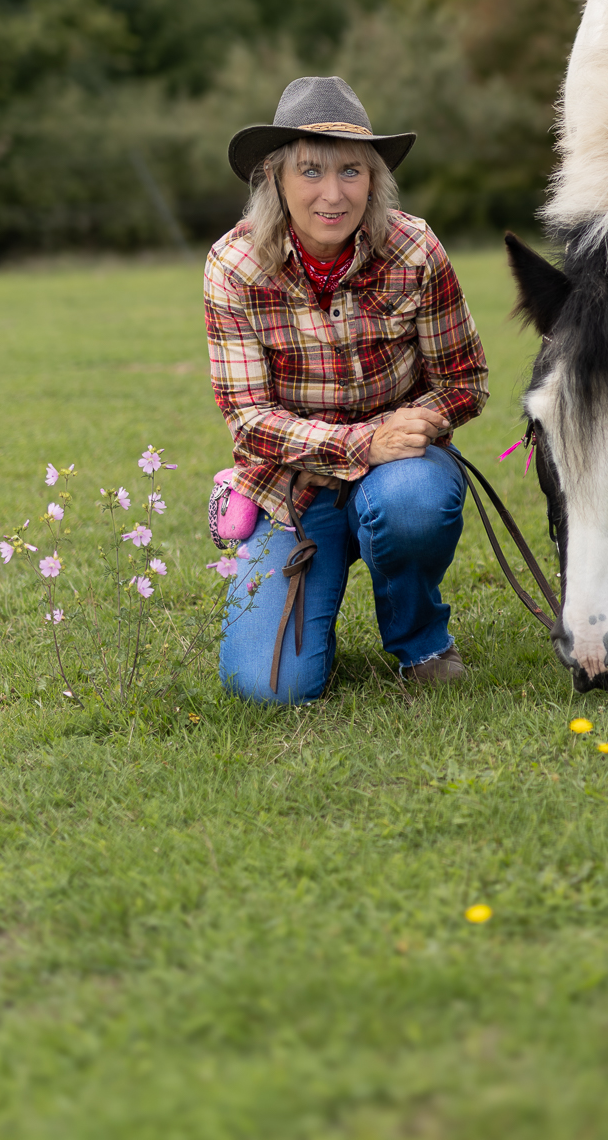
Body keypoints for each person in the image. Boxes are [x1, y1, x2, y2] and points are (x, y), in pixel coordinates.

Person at [205, 75, 488, 702]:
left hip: (402, 472)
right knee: (267, 688)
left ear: (374, 181)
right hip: (290, 486)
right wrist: (366, 443)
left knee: (411, 502)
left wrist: (412, 429)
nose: (333, 194)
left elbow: (465, 382)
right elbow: (249, 419)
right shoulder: (233, 266)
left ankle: (420, 644)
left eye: (352, 172)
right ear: (275, 179)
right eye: (311, 171)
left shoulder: (415, 249)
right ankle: (309, 612)